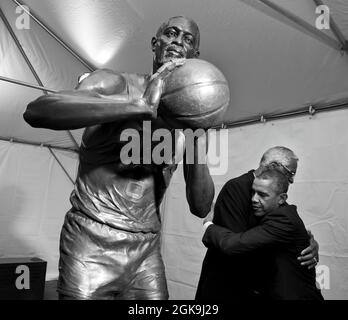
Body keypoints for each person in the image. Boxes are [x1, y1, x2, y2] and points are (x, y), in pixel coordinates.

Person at [23, 16, 214, 300]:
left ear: (195, 57)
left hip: (146, 249)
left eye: (188, 39)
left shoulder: (185, 122)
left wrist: (197, 136)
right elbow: (38, 111)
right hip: (91, 239)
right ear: (155, 44)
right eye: (171, 33)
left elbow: (200, 206)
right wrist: (138, 105)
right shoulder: (115, 82)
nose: (177, 41)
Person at [195, 146, 319, 300]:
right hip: (226, 286)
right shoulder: (237, 188)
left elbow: (284, 230)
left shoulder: (276, 198)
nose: (292, 179)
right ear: (274, 166)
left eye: (262, 195)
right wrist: (209, 226)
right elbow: (237, 247)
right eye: (291, 172)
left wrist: (303, 245)